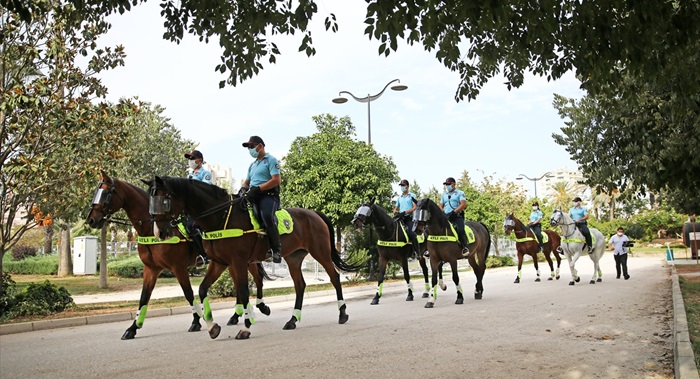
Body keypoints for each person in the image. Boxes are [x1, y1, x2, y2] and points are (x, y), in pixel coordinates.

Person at [240, 136, 282, 263]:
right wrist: (242, 190)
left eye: (252, 147)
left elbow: (276, 180)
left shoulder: (271, 160)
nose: (250, 150)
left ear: (260, 146)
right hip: (253, 196)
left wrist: (258, 189)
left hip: (268, 196)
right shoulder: (252, 165)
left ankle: (276, 250)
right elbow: (246, 182)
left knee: (266, 216)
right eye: (249, 148)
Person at [183, 149, 212, 266]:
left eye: (192, 158)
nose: (190, 161)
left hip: (201, 208)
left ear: (199, 160)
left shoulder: (206, 174)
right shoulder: (190, 174)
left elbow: (205, 190)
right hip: (188, 208)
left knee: (192, 226)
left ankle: (205, 254)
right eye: (189, 159)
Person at [439, 177, 469, 256]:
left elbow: (463, 204)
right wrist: (441, 213)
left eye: (448, 184)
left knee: (460, 230)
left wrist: (454, 212)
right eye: (446, 184)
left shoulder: (460, 193)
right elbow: (440, 206)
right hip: (446, 217)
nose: (447, 186)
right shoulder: (444, 195)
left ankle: (464, 247)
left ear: (454, 184)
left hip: (456, 216)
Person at [393, 179, 420, 259]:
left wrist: (405, 212)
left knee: (412, 233)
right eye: (401, 186)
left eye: (403, 186)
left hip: (409, 218)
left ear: (407, 186)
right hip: (400, 218)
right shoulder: (399, 198)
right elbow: (395, 208)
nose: (402, 187)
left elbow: (415, 207)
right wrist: (396, 212)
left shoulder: (412, 196)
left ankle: (417, 252)